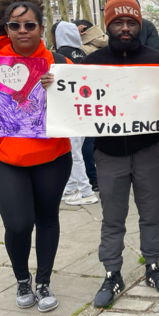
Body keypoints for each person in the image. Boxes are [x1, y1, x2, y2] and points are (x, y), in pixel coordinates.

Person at [0, 0, 73, 312]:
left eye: (30, 25)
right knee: (18, 224)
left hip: (52, 156)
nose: (23, 30)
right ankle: (22, 278)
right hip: (5, 158)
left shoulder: (59, 63)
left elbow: (77, 106)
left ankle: (44, 282)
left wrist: (60, 89)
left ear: (41, 27)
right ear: (5, 27)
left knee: (47, 218)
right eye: (15, 25)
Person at [81, 0, 159, 307]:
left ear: (139, 24)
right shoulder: (91, 63)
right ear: (108, 25)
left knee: (151, 215)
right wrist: (52, 86)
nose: (125, 28)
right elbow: (77, 101)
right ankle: (112, 273)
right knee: (112, 218)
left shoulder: (157, 59)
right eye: (118, 22)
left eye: (131, 22)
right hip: (108, 154)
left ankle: (153, 266)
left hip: (149, 149)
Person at [53, 21, 98, 206]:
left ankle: (86, 192)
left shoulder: (59, 55)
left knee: (73, 152)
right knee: (76, 149)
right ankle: (70, 188)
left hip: (68, 109)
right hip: (83, 106)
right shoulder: (82, 53)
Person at [74, 19, 103, 191]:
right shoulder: (105, 44)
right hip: (99, 101)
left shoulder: (79, 51)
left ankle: (91, 178)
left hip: (83, 101)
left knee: (82, 145)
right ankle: (95, 178)